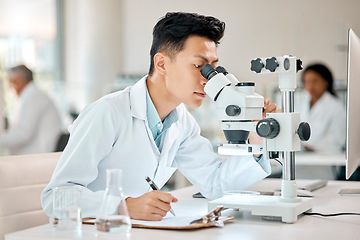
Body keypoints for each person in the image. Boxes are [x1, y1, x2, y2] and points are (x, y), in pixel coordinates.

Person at [41, 12, 277, 221]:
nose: (209, 79)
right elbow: (55, 198)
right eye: (199, 66)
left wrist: (256, 136)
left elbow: (215, 184)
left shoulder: (181, 121)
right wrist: (122, 207)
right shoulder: (107, 113)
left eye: (214, 68)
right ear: (162, 63)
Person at [0, 65, 62, 155]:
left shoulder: (33, 97)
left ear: (19, 79)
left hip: (39, 155)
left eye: (10, 82)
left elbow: (23, 133)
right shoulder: (30, 96)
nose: (9, 88)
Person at [298, 63, 346, 153]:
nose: (310, 86)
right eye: (307, 81)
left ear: (325, 81)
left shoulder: (336, 106)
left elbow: (338, 139)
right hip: (302, 159)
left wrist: (312, 147)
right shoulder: (302, 103)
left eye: (315, 81)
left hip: (326, 160)